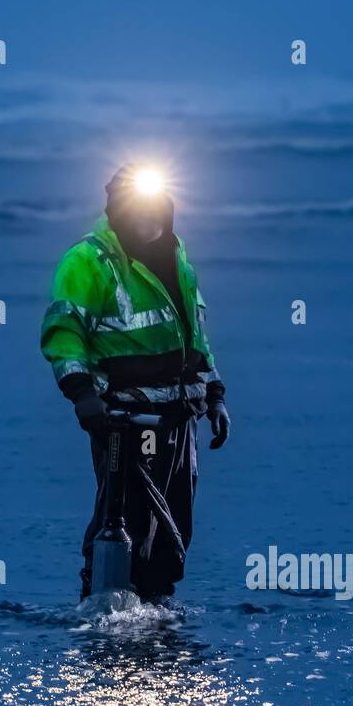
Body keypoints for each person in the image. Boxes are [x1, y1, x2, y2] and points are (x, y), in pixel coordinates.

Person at [40, 164, 230, 600]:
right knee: (124, 517)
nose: (150, 218)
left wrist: (215, 393)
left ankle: (157, 611)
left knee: (174, 525)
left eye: (157, 208)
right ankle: (104, 605)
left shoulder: (177, 259)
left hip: (182, 418)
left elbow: (196, 337)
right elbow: (64, 333)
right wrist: (82, 395)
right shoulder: (87, 261)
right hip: (127, 420)